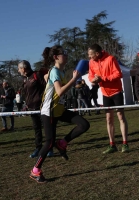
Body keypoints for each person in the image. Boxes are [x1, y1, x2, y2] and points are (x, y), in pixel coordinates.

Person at [29, 46, 90, 183]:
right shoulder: (55, 71)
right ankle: (35, 170)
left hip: (59, 110)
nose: (67, 55)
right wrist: (74, 79)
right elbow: (60, 91)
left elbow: (48, 79)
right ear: (56, 57)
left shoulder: (59, 72)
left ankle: (62, 143)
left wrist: (48, 77)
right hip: (49, 111)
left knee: (84, 124)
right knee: (49, 142)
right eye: (64, 53)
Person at [88, 43, 129, 154]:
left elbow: (118, 74)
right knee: (108, 119)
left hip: (116, 92)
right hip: (105, 94)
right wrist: (93, 80)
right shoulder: (91, 62)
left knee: (121, 116)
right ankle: (112, 145)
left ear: (97, 53)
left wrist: (103, 78)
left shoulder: (110, 59)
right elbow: (90, 75)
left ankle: (125, 143)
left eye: (91, 55)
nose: (89, 57)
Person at [18, 60, 54, 158]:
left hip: (42, 107)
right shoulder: (25, 79)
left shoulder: (36, 75)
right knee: (37, 129)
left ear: (23, 68)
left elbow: (47, 87)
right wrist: (26, 105)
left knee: (47, 128)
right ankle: (38, 148)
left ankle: (50, 148)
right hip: (31, 108)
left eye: (19, 68)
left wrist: (43, 101)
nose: (18, 71)